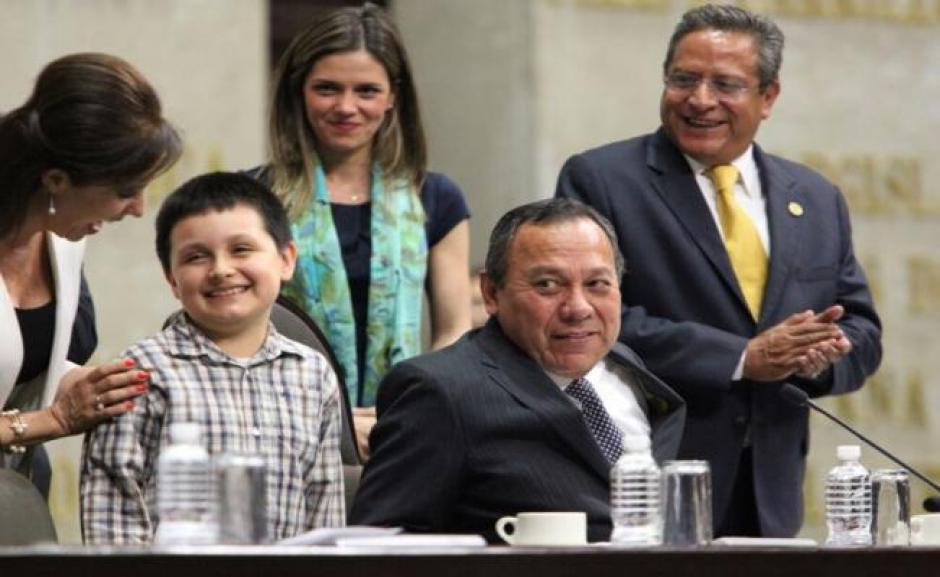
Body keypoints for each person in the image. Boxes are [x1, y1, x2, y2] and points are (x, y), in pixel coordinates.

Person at [555, 4, 882, 537]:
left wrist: (820, 355)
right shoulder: (603, 180)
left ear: (768, 97)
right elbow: (587, 323)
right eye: (684, 79)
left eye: (725, 84)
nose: (700, 100)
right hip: (651, 479)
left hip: (771, 488)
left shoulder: (816, 198)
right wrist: (740, 358)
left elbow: (862, 331)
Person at [349, 198, 685, 542]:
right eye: (547, 285)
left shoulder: (625, 367)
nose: (578, 308)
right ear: (492, 293)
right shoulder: (441, 391)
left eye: (597, 283)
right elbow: (377, 546)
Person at [81, 172, 345, 544]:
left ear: (286, 260)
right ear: (172, 279)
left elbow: (324, 512)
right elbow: (113, 517)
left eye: (241, 249)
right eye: (196, 256)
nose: (221, 269)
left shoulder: (313, 374)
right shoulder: (142, 372)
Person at [263, 3, 472, 456]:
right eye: (327, 89)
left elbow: (454, 331)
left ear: (393, 96)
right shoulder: (255, 196)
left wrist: (408, 408)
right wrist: (333, 415)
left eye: (366, 91)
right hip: (286, 425)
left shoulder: (437, 197)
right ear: (300, 91)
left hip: (407, 427)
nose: (346, 107)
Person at [0, 53, 181, 481]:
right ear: (57, 181)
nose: (138, 209)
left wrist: (98, 387)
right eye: (125, 191)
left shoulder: (63, 240)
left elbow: (23, 367)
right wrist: (51, 421)